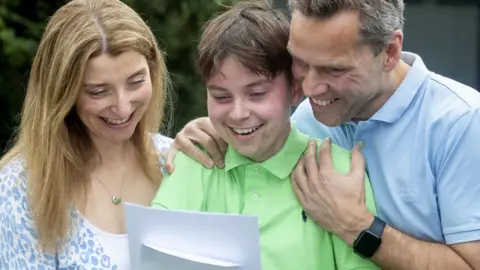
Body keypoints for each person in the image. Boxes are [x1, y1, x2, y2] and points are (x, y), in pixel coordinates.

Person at [166, 0, 480, 269]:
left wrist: (357, 226)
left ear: (390, 52)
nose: (310, 88)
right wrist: (215, 132)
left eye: (335, 69)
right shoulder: (309, 117)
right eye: (300, 63)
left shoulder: (462, 124)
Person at [152, 1, 379, 269]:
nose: (238, 113)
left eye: (257, 94)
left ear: (295, 90)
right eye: (221, 96)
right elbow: (157, 257)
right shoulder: (196, 161)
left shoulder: (339, 170)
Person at [0, 0, 172, 268]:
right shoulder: (21, 187)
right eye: (99, 91)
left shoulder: (176, 162)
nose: (123, 107)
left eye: (136, 81)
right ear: (62, 94)